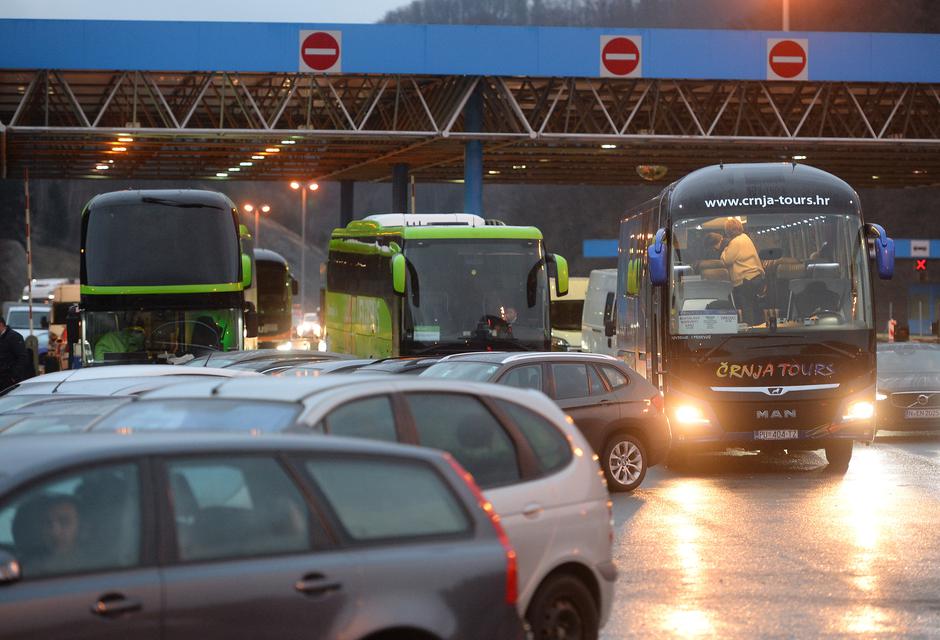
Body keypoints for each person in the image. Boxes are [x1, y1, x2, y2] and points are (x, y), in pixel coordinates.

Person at [11, 494, 81, 576]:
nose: (54, 531)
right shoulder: (25, 569)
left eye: (64, 522)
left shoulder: (94, 563)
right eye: (47, 523)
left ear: (82, 527)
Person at [720, 218, 766, 325]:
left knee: (747, 308)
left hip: (745, 279)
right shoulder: (746, 238)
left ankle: (750, 332)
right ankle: (760, 329)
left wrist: (724, 250)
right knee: (755, 307)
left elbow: (727, 260)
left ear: (728, 231)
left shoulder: (735, 242)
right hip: (756, 276)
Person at [0, 316, 31, 388]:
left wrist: (14, 376)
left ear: (1, 325)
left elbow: (22, 358)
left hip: (9, 380)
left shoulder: (14, 337)